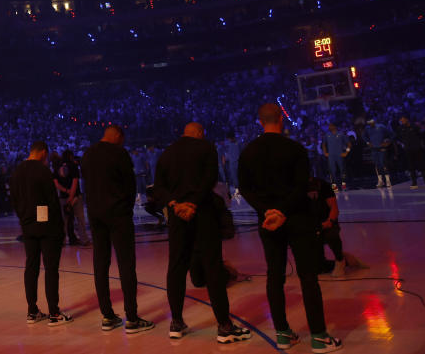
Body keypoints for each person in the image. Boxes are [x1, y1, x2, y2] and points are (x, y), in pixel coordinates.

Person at [239, 103, 343, 353]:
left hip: (268, 222)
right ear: (281, 120)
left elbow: (245, 189)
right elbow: (301, 187)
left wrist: (268, 211)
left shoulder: (248, 152)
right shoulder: (295, 149)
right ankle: (318, 336)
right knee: (308, 276)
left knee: (275, 276)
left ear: (259, 121)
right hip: (296, 218)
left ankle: (283, 334)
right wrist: (283, 210)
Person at [153, 122, 250, 343]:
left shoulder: (167, 153)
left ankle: (176, 322)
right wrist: (193, 204)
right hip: (203, 214)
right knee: (212, 267)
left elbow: (158, 187)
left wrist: (175, 204)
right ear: (199, 133)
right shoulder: (205, 148)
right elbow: (209, 180)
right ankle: (224, 326)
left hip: (177, 215)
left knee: (176, 267)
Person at [81, 125, 153, 334]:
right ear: (118, 136)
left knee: (100, 265)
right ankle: (132, 318)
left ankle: (107, 316)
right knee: (126, 264)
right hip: (118, 213)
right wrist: (126, 206)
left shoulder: (88, 154)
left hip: (95, 213)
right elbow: (130, 185)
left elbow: (87, 181)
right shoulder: (119, 153)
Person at [10, 140, 72, 326]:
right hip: (46, 227)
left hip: (27, 226)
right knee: (51, 268)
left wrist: (24, 219)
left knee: (31, 267)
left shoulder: (17, 171)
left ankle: (32, 311)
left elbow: (14, 200)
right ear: (43, 152)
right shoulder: (43, 171)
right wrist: (60, 228)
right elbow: (51, 201)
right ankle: (54, 313)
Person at [397, 117, 424, 189]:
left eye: (403, 120)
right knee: (411, 167)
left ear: (406, 119)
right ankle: (414, 183)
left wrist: (420, 145)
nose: (402, 121)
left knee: (422, 165)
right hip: (408, 150)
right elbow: (398, 137)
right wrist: (402, 144)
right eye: (401, 120)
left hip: (418, 149)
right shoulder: (400, 128)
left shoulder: (415, 126)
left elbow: (421, 135)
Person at [322, 124, 350, 190]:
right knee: (332, 171)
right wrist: (325, 152)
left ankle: (344, 184)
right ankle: (334, 185)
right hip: (331, 156)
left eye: (330, 126)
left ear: (334, 126)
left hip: (340, 155)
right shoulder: (327, 135)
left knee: (342, 170)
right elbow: (323, 144)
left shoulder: (341, 134)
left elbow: (349, 144)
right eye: (329, 126)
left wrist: (346, 152)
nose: (329, 127)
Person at [366, 119, 392, 187]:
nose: (370, 124)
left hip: (382, 148)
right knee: (377, 165)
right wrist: (368, 142)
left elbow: (390, 134)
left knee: (383, 163)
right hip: (374, 149)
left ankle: (388, 180)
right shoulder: (368, 129)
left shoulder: (381, 127)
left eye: (371, 122)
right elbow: (364, 136)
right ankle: (380, 181)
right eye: (369, 123)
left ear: (374, 122)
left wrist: (387, 142)